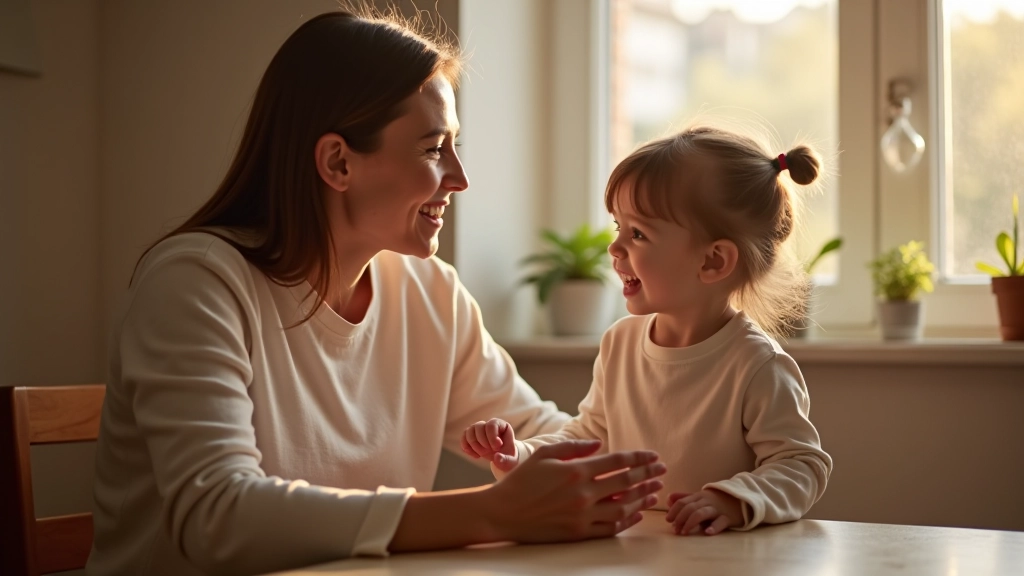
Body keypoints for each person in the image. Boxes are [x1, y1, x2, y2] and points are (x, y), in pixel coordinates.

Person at [87, 9, 666, 576]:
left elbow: (541, 435)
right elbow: (217, 514)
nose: (460, 177)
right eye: (433, 147)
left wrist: (715, 449)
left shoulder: (428, 291)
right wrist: (489, 513)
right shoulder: (196, 285)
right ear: (338, 161)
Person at [462, 126, 834, 537]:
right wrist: (523, 454)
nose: (615, 247)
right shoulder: (620, 343)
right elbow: (589, 436)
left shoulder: (756, 364)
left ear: (713, 261)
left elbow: (802, 466)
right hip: (633, 553)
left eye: (637, 233)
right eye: (617, 226)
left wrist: (732, 500)